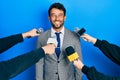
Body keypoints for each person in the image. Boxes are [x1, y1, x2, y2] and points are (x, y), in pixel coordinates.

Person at [36, 2, 82, 80]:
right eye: (53, 15)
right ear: (49, 17)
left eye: (60, 15)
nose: (57, 18)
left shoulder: (74, 36)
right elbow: (39, 63)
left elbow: (79, 62)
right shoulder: (41, 37)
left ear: (64, 17)